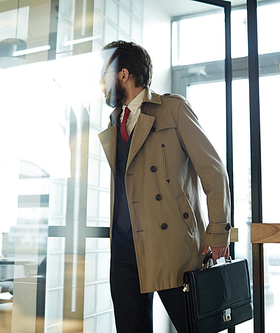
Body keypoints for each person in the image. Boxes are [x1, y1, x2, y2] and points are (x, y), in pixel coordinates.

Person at [98, 40, 232, 333]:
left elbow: (213, 170)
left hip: (172, 246)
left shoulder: (172, 108)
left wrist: (219, 230)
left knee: (194, 328)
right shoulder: (114, 121)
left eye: (104, 73)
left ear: (123, 74)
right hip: (123, 250)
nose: (100, 82)